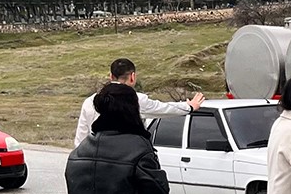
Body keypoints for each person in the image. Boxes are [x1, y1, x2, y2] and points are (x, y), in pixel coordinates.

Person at [72, 58, 205, 147]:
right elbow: (163, 109)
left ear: (111, 76)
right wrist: (189, 106)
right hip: (122, 158)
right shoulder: (136, 99)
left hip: (93, 159)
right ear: (133, 76)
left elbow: (80, 138)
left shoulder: (90, 101)